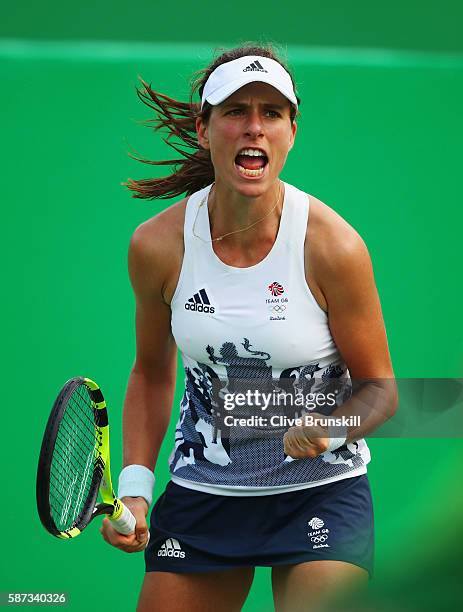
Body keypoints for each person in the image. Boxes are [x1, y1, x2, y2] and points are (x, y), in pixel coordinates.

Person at [100, 43, 398, 612]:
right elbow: (152, 375)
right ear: (203, 128)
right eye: (236, 111)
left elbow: (381, 390)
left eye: (271, 113)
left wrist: (330, 430)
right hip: (205, 496)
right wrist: (136, 491)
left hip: (321, 495)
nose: (253, 128)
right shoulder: (157, 246)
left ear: (291, 131)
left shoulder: (333, 247)